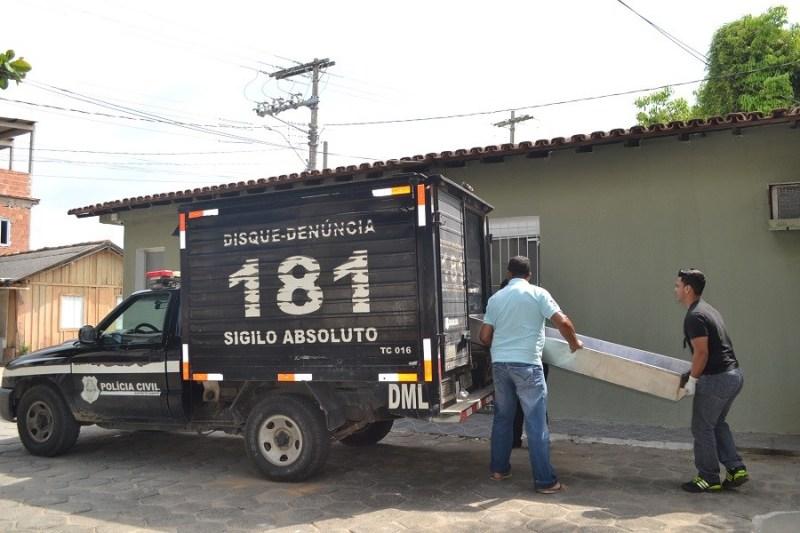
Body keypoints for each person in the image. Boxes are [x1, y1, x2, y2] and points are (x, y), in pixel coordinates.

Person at [479, 256, 582, 494]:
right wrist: (574, 343)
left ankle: (499, 469)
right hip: (527, 366)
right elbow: (563, 323)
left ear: (508, 273)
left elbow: (485, 337)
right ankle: (545, 481)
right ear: (529, 275)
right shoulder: (538, 294)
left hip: (500, 366)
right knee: (536, 423)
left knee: (503, 418)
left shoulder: (496, 298)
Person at [675, 268, 749, 493]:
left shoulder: (695, 316)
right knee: (716, 423)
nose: (675, 289)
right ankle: (736, 468)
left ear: (688, 289)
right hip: (733, 376)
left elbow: (702, 353)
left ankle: (708, 477)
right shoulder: (708, 310)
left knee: (702, 427)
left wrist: (693, 380)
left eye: (677, 285)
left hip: (717, 379)